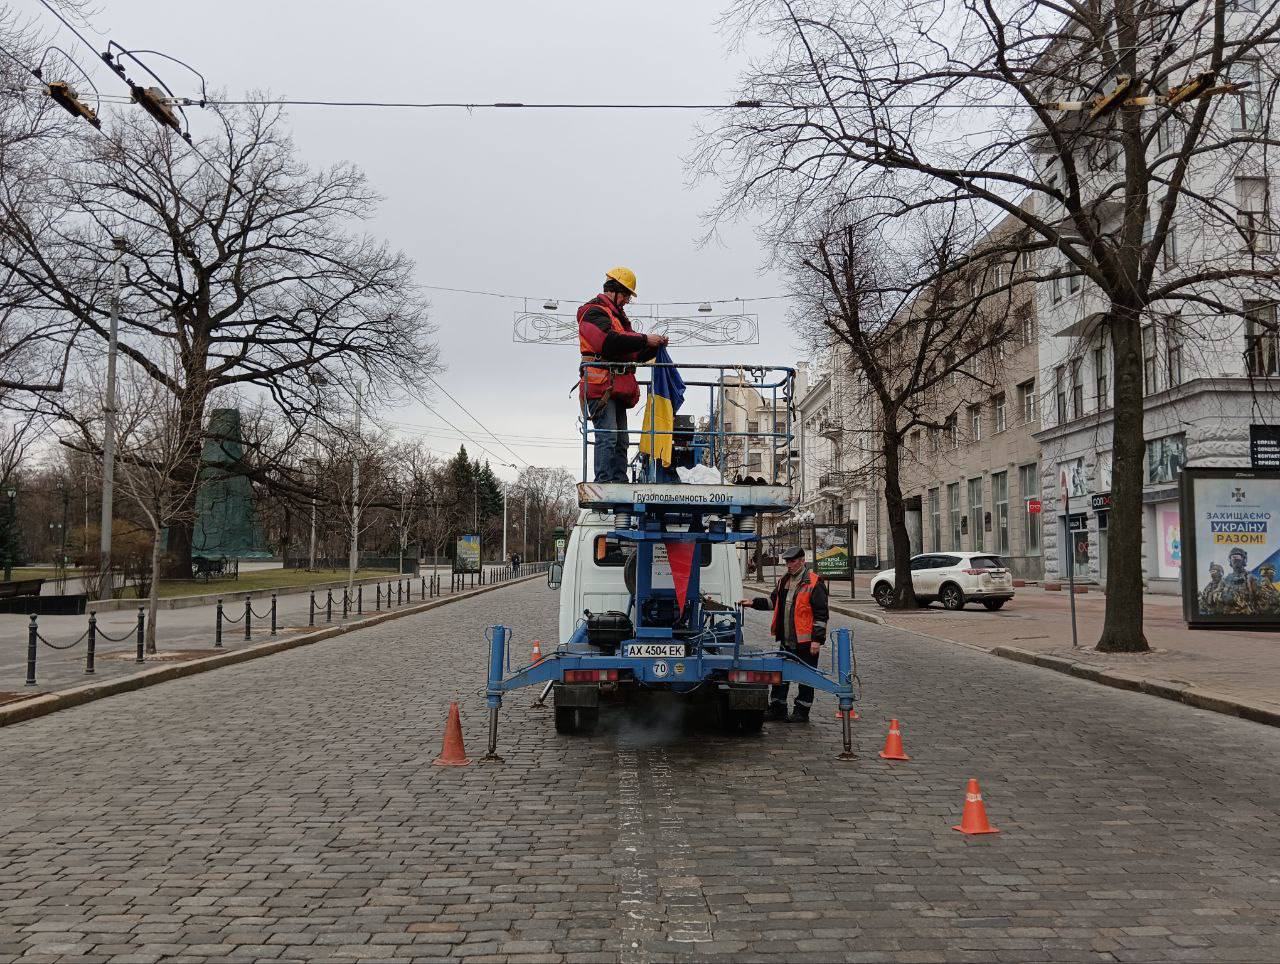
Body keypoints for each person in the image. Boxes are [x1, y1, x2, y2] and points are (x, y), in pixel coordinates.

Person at [577, 267, 668, 482]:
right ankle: (604, 482)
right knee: (608, 437)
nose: (627, 300)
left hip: (614, 386)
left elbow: (631, 352)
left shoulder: (617, 317)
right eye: (626, 295)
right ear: (615, 290)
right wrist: (646, 339)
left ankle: (618, 481)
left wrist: (653, 348)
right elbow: (607, 342)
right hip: (601, 386)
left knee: (620, 440)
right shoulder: (592, 312)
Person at [739, 546, 829, 723]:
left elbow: (821, 615)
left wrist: (817, 640)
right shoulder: (783, 581)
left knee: (806, 678)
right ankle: (777, 708)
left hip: (806, 642)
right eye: (787, 561)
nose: (789, 565)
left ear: (802, 561)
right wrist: (752, 602)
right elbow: (774, 602)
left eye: (792, 561)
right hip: (786, 640)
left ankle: (801, 712)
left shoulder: (814, 582)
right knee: (780, 674)